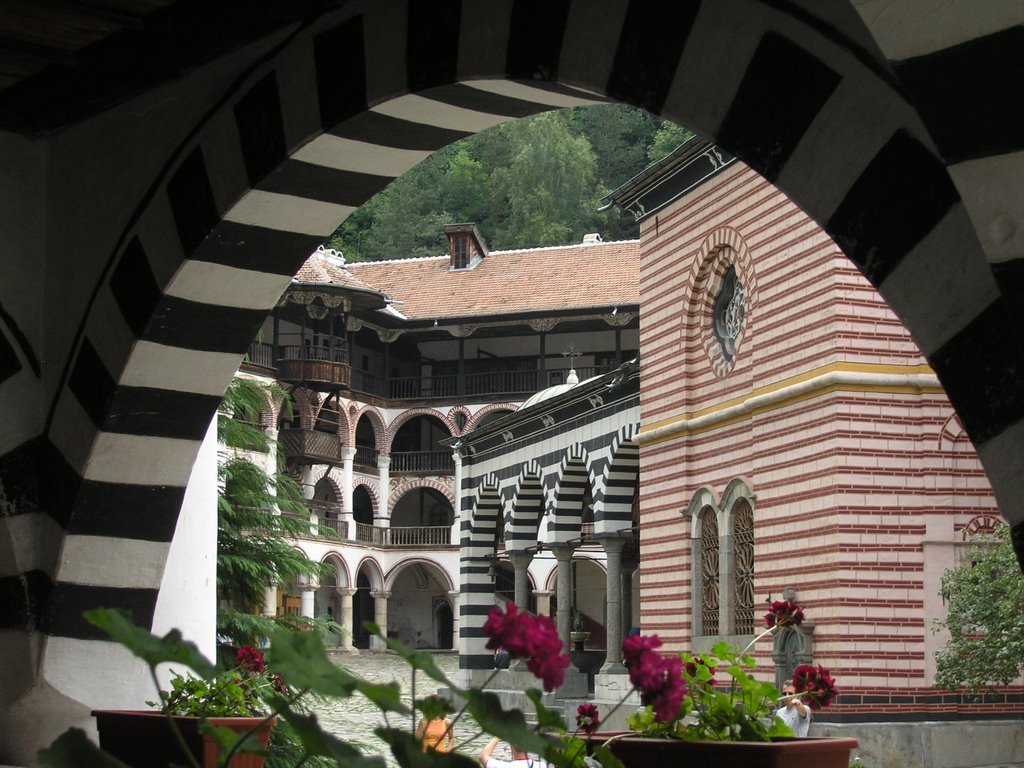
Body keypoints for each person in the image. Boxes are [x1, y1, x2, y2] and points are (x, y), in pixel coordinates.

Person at [479, 737, 548, 768]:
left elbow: (483, 756)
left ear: (510, 746)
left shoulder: (503, 766)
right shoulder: (542, 765)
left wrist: (497, 737)